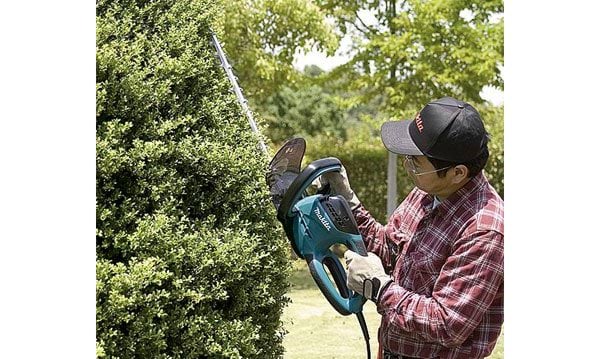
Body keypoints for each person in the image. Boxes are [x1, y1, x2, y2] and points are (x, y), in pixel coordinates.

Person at [319, 97, 503, 359]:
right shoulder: (427, 191)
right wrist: (348, 201)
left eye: (416, 161)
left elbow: (448, 323)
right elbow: (388, 247)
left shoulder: (484, 231)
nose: (408, 165)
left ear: (458, 173)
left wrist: (380, 287)